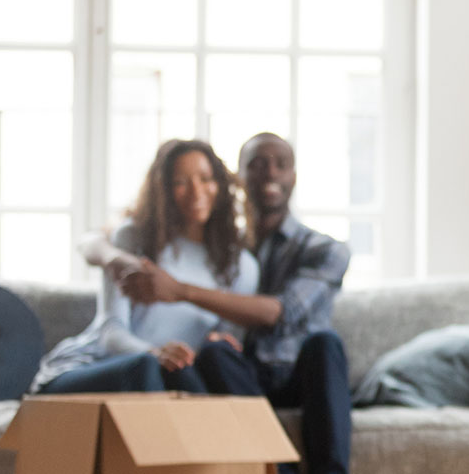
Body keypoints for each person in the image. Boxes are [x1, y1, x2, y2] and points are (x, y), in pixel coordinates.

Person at [89, 132, 352, 474]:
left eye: (281, 164)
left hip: (294, 375)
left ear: (294, 175)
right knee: (214, 353)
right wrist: (106, 253)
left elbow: (282, 312)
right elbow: (97, 241)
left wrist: (180, 290)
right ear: (238, 179)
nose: (270, 173)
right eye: (257, 165)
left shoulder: (324, 250)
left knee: (325, 342)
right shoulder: (226, 246)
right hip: (241, 374)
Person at [32, 140, 259, 395]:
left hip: (170, 378)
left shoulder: (241, 266)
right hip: (88, 368)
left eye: (206, 179)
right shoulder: (133, 239)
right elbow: (110, 333)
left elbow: (223, 344)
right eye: (180, 182)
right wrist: (155, 352)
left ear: (221, 185)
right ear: (163, 189)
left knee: (186, 376)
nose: (196, 192)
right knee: (147, 366)